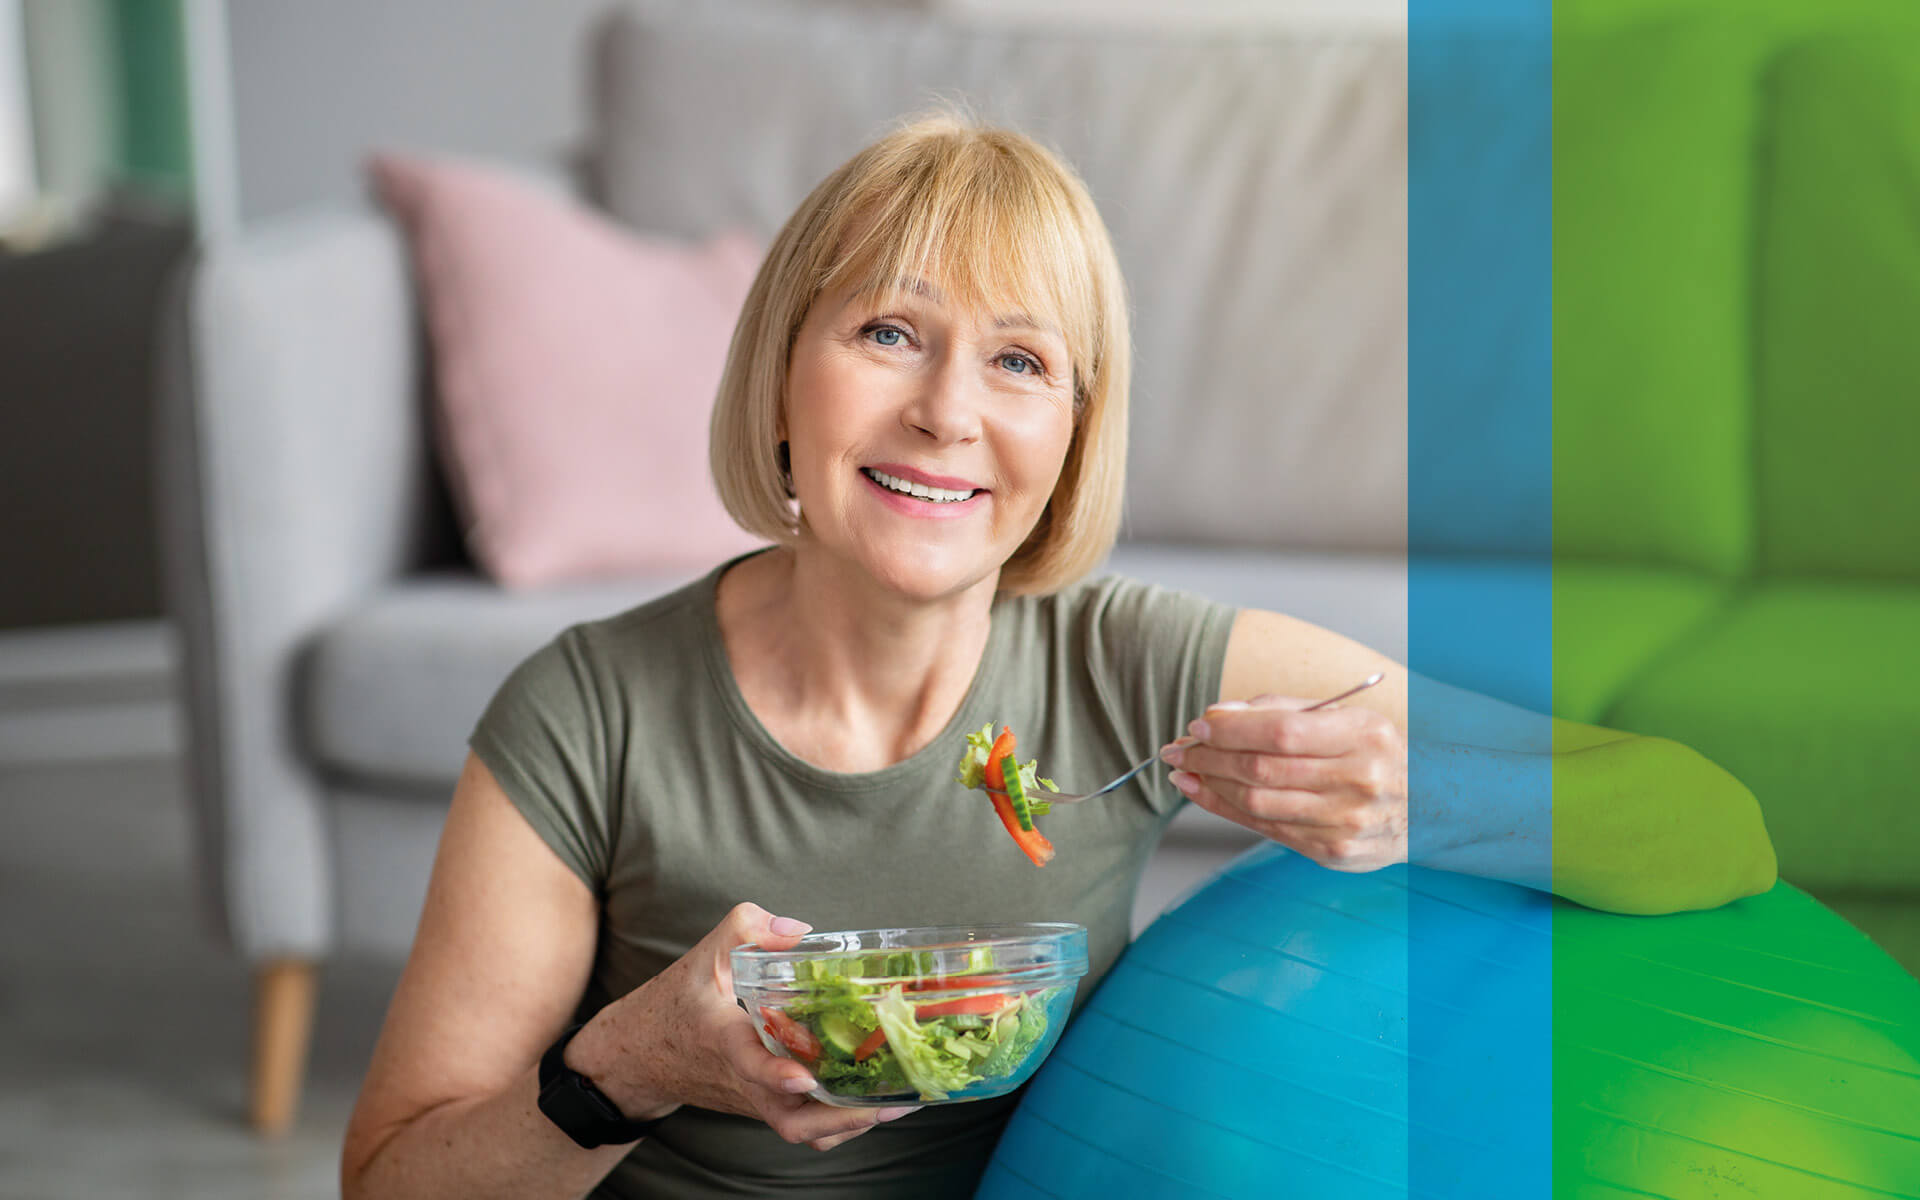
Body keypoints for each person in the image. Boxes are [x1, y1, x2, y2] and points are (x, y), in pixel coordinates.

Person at [340, 114, 1775, 1199]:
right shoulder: (586, 712)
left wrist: (1429, 801)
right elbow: (392, 1181)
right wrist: (632, 1064)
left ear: (1074, 436)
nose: (948, 412)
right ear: (781, 377)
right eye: (889, 331)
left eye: (1021, 362)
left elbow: (1717, 826)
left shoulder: (1131, 667)